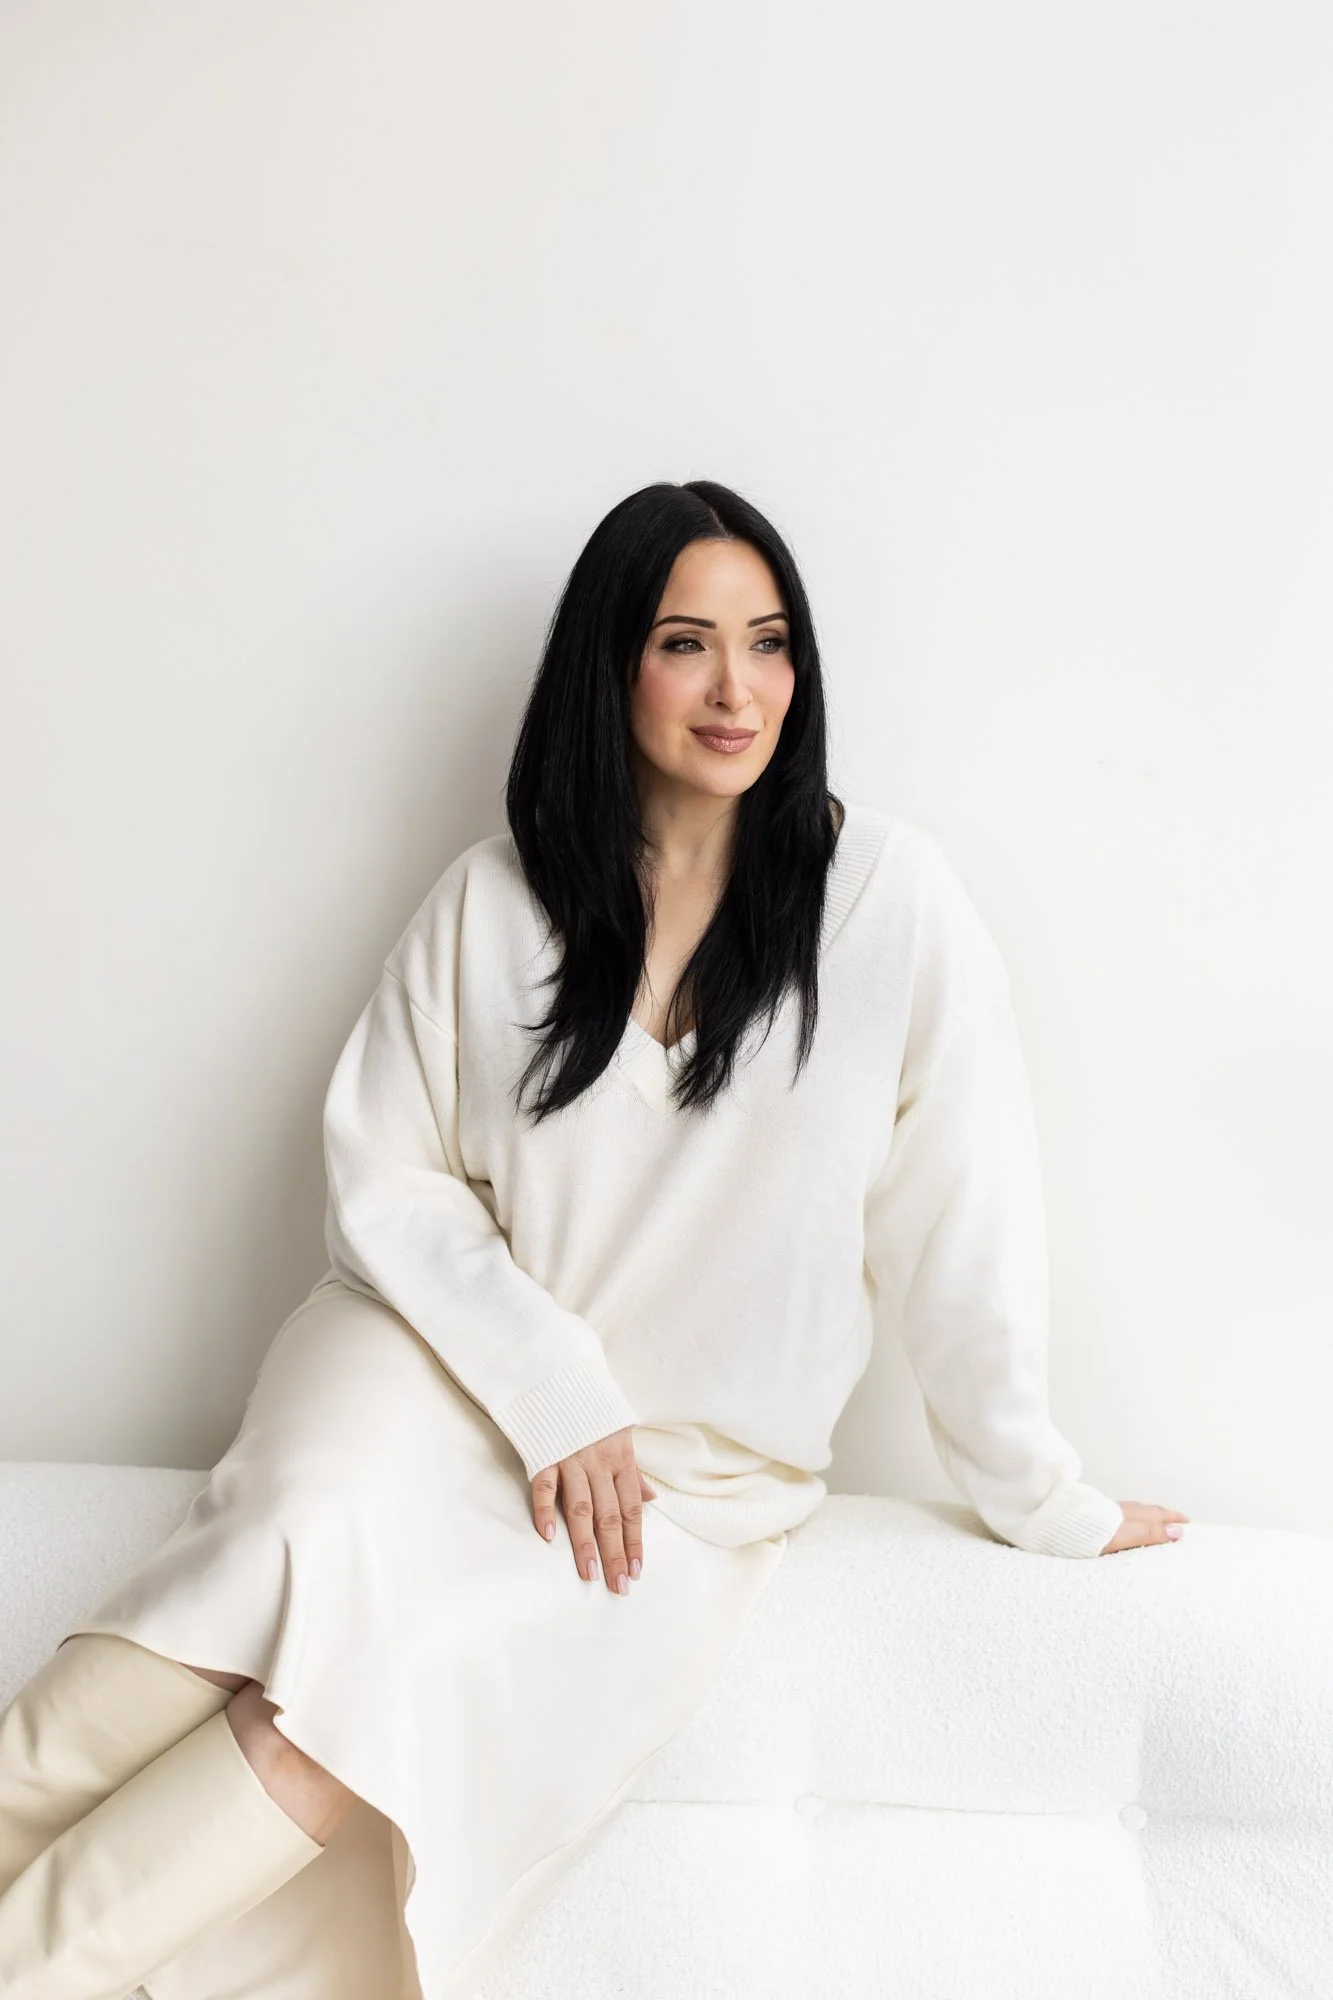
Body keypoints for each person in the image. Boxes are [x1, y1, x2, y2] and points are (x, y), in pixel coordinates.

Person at [0, 477, 1189, 2000]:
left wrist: (1039, 1490)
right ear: (611, 664)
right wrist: (554, 1388)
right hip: (433, 1367)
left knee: (369, 1707)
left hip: (679, 1487)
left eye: (769, 646)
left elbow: (964, 1224)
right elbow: (385, 1176)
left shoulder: (892, 906)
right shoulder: (495, 900)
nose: (737, 689)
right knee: (290, 1543)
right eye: (687, 644)